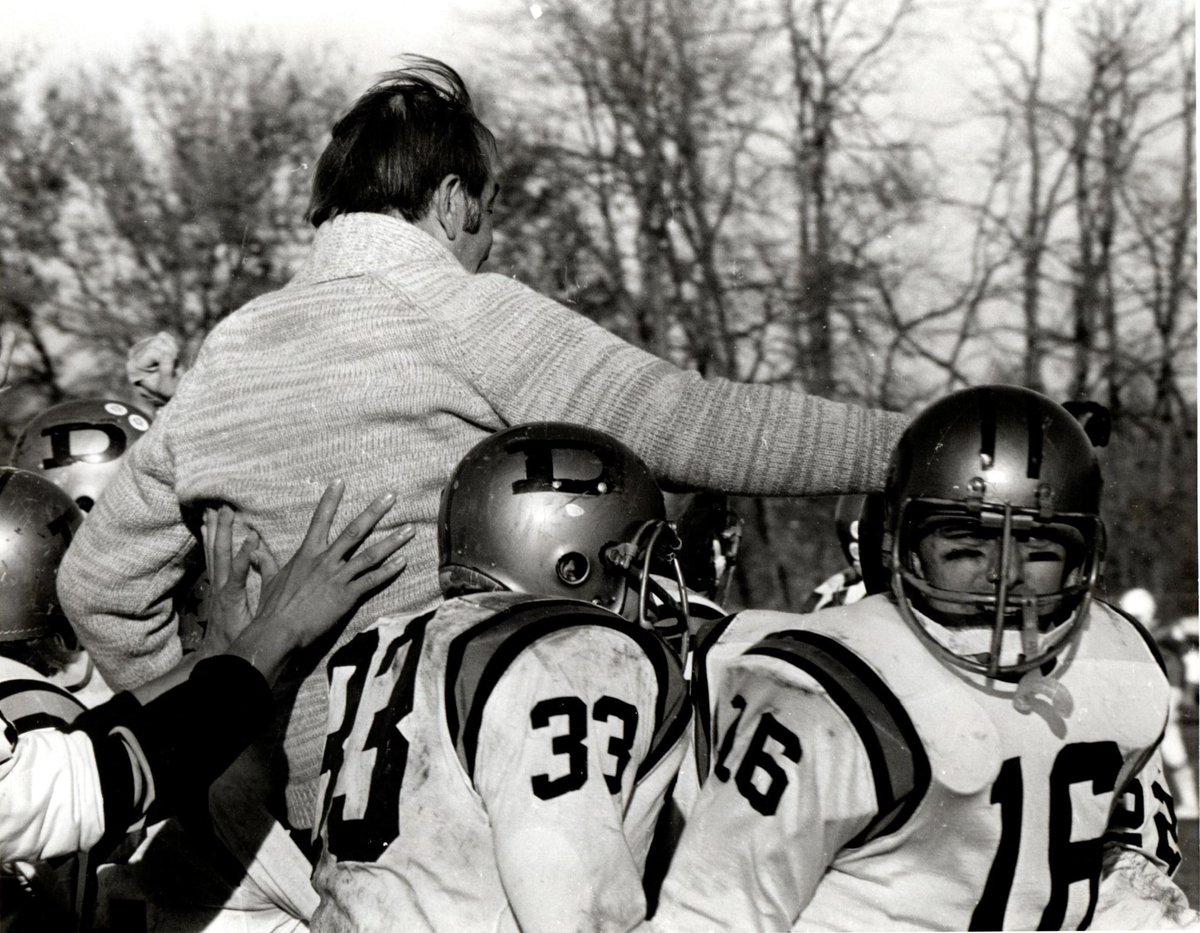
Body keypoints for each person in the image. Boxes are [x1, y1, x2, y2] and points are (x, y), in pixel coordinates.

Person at [57, 56, 908, 835]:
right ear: (457, 199)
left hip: (300, 821)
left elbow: (96, 586)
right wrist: (919, 451)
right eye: (489, 211)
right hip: (475, 804)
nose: (488, 239)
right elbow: (701, 426)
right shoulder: (459, 312)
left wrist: (223, 730)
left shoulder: (229, 350)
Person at [651, 385, 1194, 931]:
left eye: (1041, 548)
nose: (1003, 575)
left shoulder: (1116, 656)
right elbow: (714, 914)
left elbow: (1124, 878)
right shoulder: (828, 682)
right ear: (900, 544)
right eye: (963, 547)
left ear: (1084, 556)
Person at [309, 423, 690, 931]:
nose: (652, 587)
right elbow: (578, 912)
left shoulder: (383, 641)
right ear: (571, 563)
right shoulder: (573, 650)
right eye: (638, 561)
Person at [1119, 587, 1200, 820]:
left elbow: (1191, 658)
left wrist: (1188, 690)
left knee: (1160, 743)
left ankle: (1188, 802)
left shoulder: (1168, 635)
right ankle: (1186, 802)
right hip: (1154, 690)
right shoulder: (1159, 633)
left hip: (1165, 690)